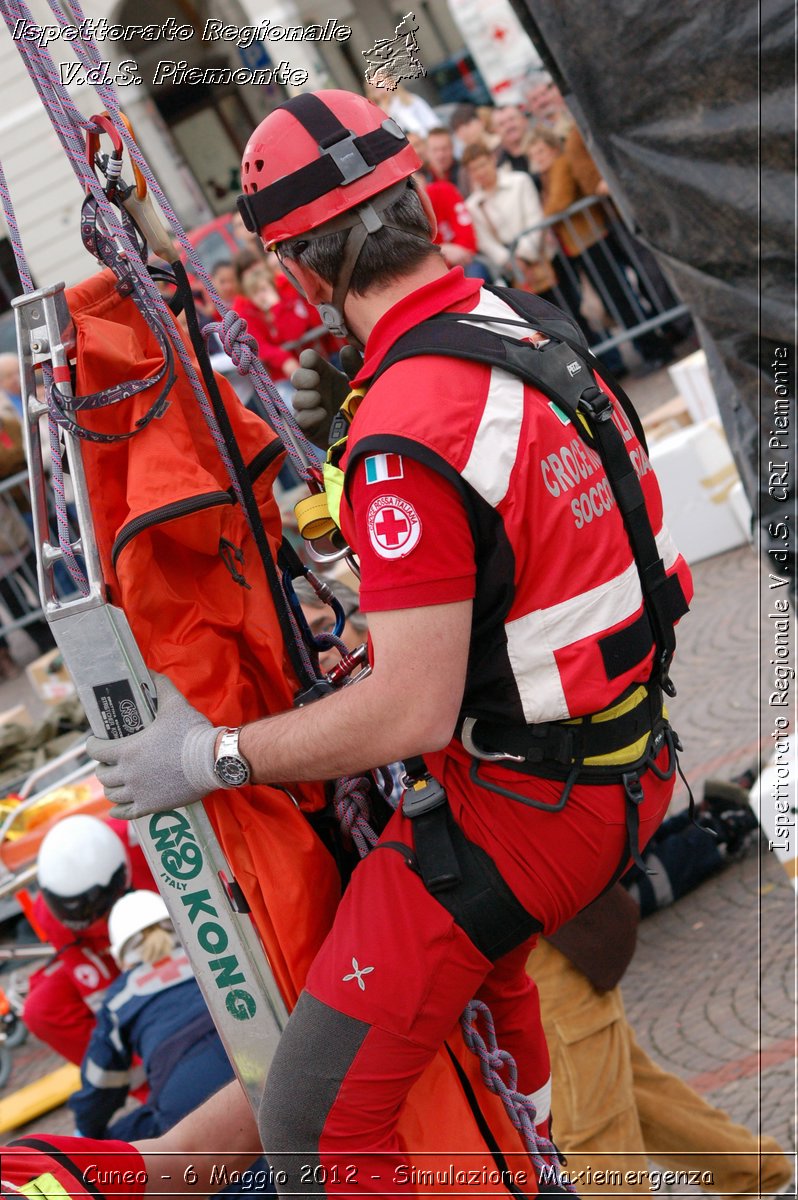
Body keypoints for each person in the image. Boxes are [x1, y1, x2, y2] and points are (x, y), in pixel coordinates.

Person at [88, 89, 693, 1195]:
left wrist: (211, 757)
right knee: (508, 1025)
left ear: (302, 273)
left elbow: (410, 712)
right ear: (410, 199)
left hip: (527, 809)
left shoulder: (405, 425)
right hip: (626, 760)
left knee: (310, 1120)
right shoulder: (523, 329)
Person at [530, 887, 794, 1197]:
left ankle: (758, 1178)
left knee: (591, 1130)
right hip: (525, 954)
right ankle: (756, 1176)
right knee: (629, 1091)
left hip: (538, 948)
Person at [69, 891, 239, 1142]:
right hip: (252, 1060)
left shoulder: (119, 999)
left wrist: (87, 1128)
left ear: (121, 957)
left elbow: (102, 1082)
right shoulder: (213, 955)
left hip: (184, 1095)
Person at [528, 125, 672, 370]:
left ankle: (653, 347)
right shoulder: (548, 175)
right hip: (580, 244)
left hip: (592, 239)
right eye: (533, 155)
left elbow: (559, 202)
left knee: (619, 297)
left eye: (541, 152)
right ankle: (648, 345)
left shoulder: (561, 166)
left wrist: (542, 216)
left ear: (552, 149)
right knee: (614, 300)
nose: (538, 159)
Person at [23, 813, 157, 1064]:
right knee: (43, 1008)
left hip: (180, 935)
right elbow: (103, 998)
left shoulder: (147, 836)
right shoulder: (51, 914)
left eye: (99, 913)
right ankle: (148, 1083)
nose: (96, 922)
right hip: (115, 961)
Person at [461, 142, 558, 296]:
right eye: (473, 169)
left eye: (482, 165)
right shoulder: (472, 205)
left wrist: (522, 256)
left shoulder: (520, 181)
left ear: (492, 159)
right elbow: (486, 243)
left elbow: (534, 219)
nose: (480, 172)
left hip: (543, 257)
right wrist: (512, 262)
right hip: (513, 272)